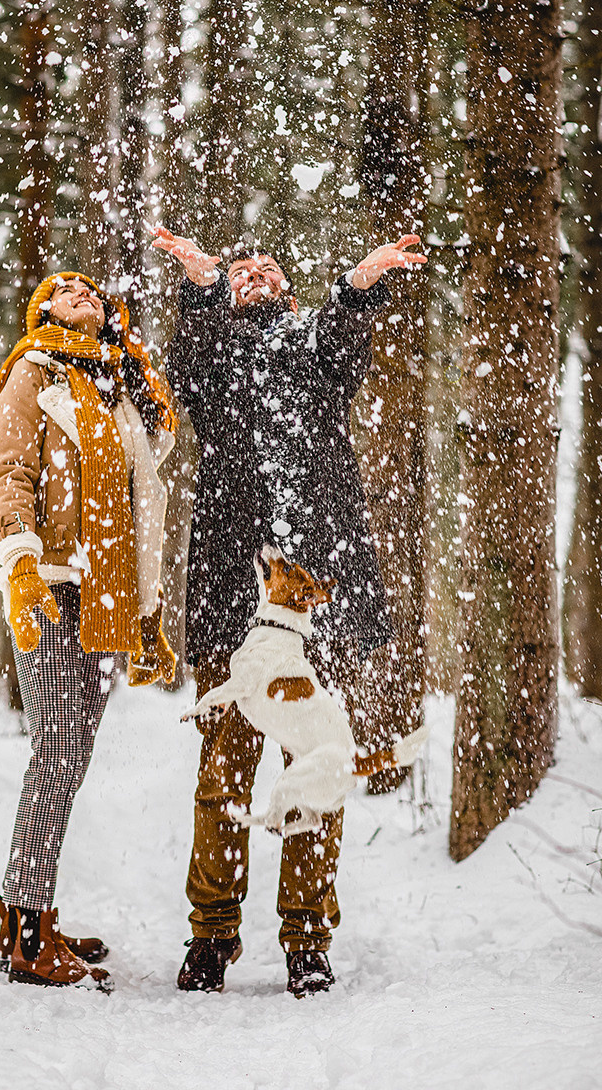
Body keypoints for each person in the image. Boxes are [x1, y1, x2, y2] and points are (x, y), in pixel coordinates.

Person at [154, 226, 426, 997]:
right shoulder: (213, 360)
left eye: (267, 268)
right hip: (231, 601)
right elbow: (190, 364)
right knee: (222, 777)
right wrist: (201, 289)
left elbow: (343, 340)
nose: (255, 275)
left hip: (317, 608)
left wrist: (360, 284)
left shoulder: (316, 355)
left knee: (313, 774)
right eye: (241, 272)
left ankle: (307, 939)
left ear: (293, 291)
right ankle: (211, 935)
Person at [0, 270, 176, 988]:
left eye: (93, 290)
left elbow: (142, 501)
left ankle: (25, 911)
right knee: (57, 756)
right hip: (53, 588)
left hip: (107, 597)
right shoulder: (33, 370)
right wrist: (22, 562)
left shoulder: (114, 388)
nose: (82, 292)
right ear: (41, 310)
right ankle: (27, 938)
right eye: (64, 288)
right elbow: (10, 472)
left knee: (66, 760)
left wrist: (148, 614)